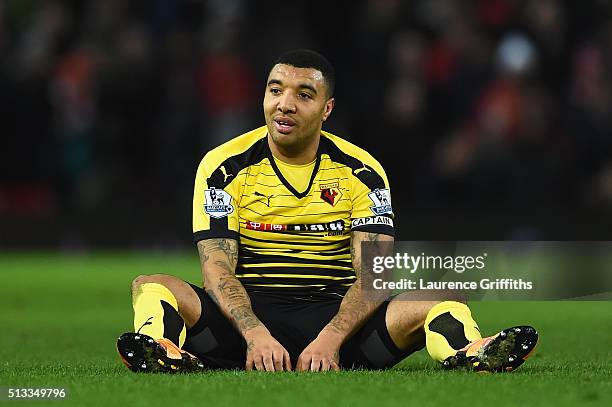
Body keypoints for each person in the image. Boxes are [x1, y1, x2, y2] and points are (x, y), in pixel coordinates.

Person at [116, 49, 538, 372]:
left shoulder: (363, 172)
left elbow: (375, 278)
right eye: (275, 89)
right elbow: (217, 271)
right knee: (153, 284)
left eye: (304, 94)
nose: (284, 104)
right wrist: (256, 335)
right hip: (244, 329)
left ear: (327, 109)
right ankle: (162, 351)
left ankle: (469, 353)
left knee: (441, 296)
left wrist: (330, 340)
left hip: (341, 323)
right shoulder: (223, 167)